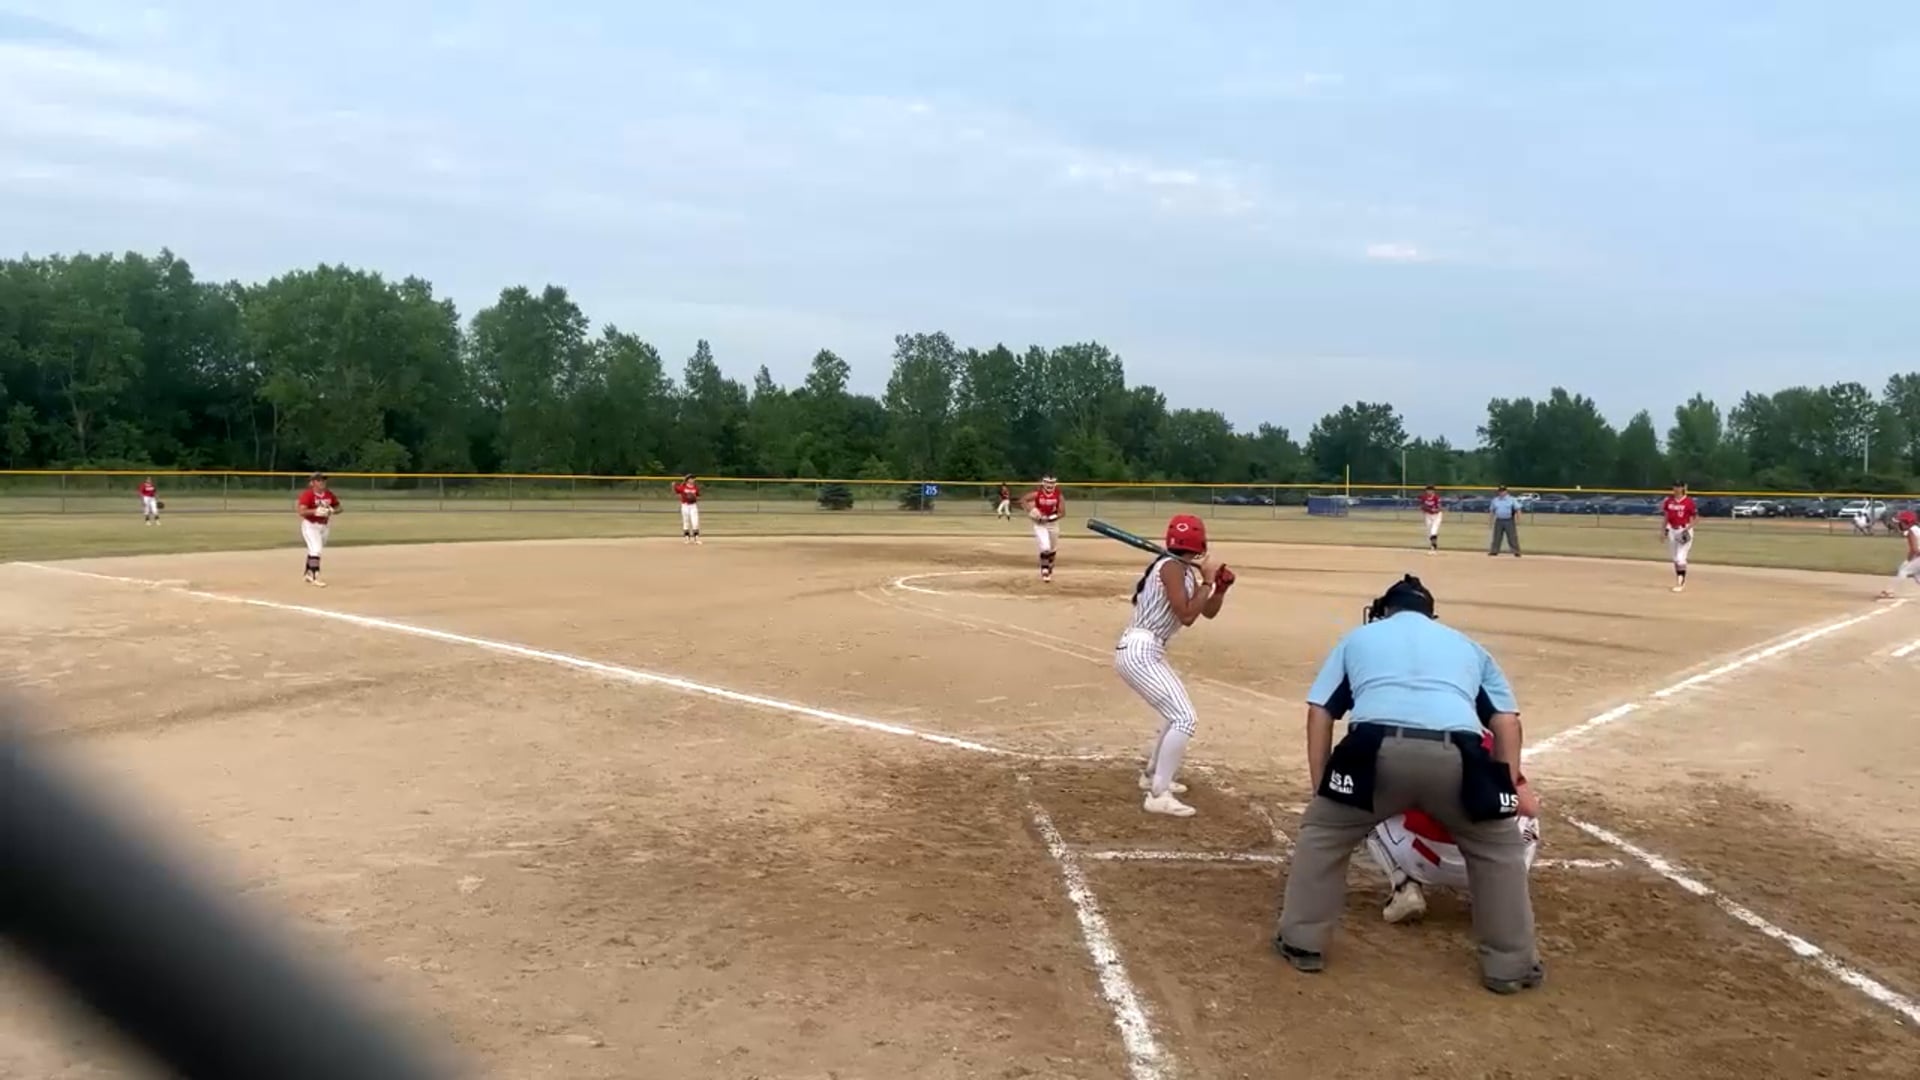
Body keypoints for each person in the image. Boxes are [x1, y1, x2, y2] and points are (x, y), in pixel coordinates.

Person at [1273, 574, 1542, 995]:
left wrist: (1322, 787)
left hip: (1375, 749)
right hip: (1459, 755)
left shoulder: (1358, 638)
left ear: (1385, 611)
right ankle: (1510, 964)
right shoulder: (1467, 645)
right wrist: (1502, 790)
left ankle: (1302, 941)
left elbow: (1320, 712)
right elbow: (1507, 721)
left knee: (1323, 833)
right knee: (1499, 851)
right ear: (1430, 615)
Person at [1114, 514, 1234, 817]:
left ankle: (1152, 776)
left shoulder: (1181, 570)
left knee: (1175, 714)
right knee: (1184, 718)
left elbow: (1206, 612)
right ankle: (1158, 794)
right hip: (1140, 649)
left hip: (1148, 650)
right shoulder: (1170, 567)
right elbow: (1187, 616)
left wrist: (1219, 589)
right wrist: (1207, 580)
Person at [1366, 733, 1541, 924]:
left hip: (1424, 860)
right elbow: (1529, 807)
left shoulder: (1404, 741)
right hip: (1488, 863)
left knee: (1369, 812)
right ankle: (1501, 893)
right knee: (1528, 819)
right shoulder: (1491, 742)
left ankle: (1403, 886)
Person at [295, 473, 342, 587]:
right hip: (311, 525)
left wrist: (333, 510)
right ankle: (315, 576)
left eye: (323, 480)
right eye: (319, 480)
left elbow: (339, 507)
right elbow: (301, 511)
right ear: (312, 483)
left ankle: (308, 573)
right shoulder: (308, 495)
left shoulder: (328, 494)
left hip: (324, 526)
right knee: (316, 550)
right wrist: (315, 511)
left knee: (314, 550)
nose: (322, 482)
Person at [1020, 475, 1064, 582]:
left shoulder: (1058, 496)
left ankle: (1049, 565)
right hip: (1040, 524)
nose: (1050, 485)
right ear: (1043, 483)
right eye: (1048, 483)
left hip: (1052, 524)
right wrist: (1032, 511)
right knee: (1045, 547)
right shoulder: (1037, 494)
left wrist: (1049, 518)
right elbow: (1023, 500)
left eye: (1052, 483)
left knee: (1052, 549)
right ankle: (1044, 570)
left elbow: (1062, 512)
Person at [1661, 482, 1698, 593]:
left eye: (1679, 486)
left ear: (1683, 488)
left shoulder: (1689, 502)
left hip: (1684, 529)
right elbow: (1666, 517)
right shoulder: (1668, 501)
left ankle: (1680, 583)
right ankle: (1680, 579)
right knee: (1675, 558)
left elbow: (1696, 518)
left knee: (1680, 557)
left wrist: (1687, 529)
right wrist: (1663, 531)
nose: (1676, 488)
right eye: (1675, 486)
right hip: (1672, 530)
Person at [1879, 509, 1920, 600]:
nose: (1899, 524)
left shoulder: (1911, 531)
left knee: (1903, 570)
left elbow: (1914, 550)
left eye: (1901, 522)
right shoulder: (1916, 529)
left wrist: (1908, 560)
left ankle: (1889, 591)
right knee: (1917, 575)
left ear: (1907, 522)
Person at [1487, 486, 1521, 556]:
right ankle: (1494, 551)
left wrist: (1518, 519)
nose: (1501, 492)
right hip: (1499, 520)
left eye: (1503, 491)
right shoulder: (1495, 500)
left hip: (1509, 520)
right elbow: (1492, 511)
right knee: (1497, 536)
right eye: (1500, 491)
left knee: (1512, 537)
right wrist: (1490, 521)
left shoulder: (1512, 499)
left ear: (1506, 491)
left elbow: (1518, 509)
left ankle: (1516, 551)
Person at [673, 474, 701, 544]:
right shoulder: (683, 487)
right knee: (686, 522)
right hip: (685, 506)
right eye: (691, 478)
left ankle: (696, 539)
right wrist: (674, 485)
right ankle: (687, 538)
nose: (693, 480)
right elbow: (677, 491)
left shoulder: (695, 487)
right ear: (688, 480)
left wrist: (694, 498)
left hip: (693, 506)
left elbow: (698, 495)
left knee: (695, 522)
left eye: (693, 479)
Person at [1419, 485, 1443, 554]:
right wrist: (1428, 509)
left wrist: (1435, 510)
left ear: (1433, 491)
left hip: (1436, 516)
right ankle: (1433, 545)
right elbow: (1422, 506)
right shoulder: (1424, 497)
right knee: (1429, 531)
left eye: (1430, 490)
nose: (1429, 492)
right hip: (1428, 515)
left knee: (1433, 530)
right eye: (1427, 490)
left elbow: (1440, 508)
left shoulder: (1436, 498)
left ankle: (1433, 548)